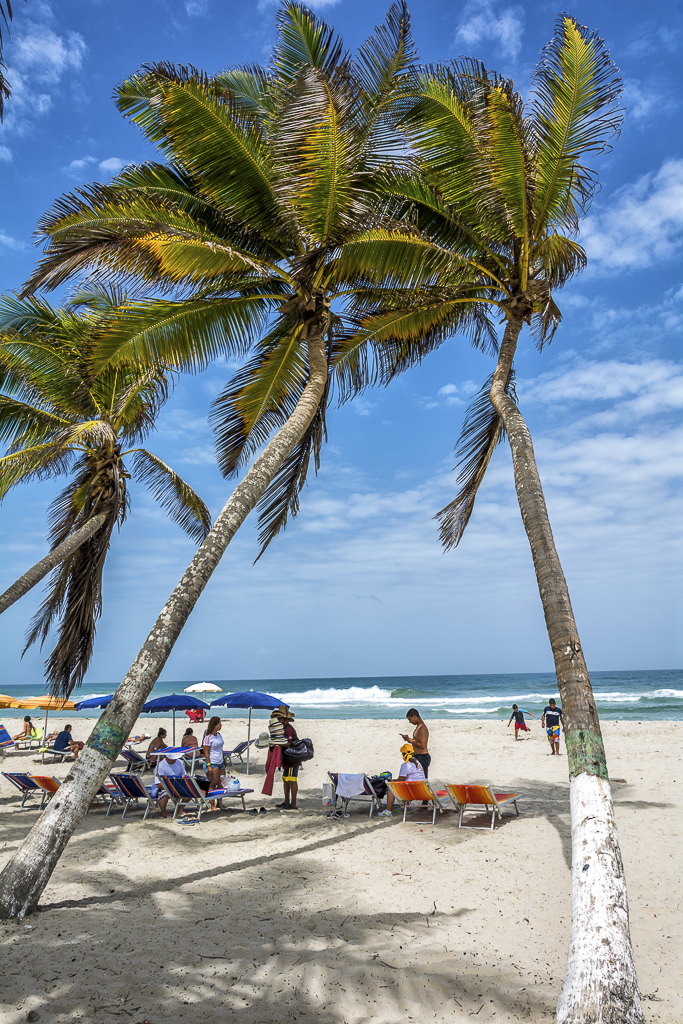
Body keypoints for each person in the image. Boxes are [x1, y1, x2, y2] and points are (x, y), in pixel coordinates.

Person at [379, 743, 425, 818]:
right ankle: (404, 807)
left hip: (412, 792)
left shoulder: (406, 765)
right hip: (421, 790)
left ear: (403, 754)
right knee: (408, 783)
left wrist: (392, 781)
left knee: (391, 787)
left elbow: (401, 780)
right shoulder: (418, 763)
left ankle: (388, 812)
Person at [272, 705, 302, 811]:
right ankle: (286, 801)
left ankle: (293, 804)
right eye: (278, 718)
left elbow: (288, 744)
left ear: (286, 719)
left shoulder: (288, 729)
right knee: (285, 780)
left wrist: (275, 742)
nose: (279, 720)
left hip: (292, 759)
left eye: (280, 718)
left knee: (292, 780)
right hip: (287, 759)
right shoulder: (284, 728)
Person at [202, 716, 225, 809]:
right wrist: (209, 765)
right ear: (215, 725)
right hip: (212, 763)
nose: (221, 725)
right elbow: (206, 753)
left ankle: (220, 802)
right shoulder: (208, 737)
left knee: (221, 783)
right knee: (213, 784)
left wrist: (224, 759)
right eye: (219, 724)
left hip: (220, 762)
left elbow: (221, 749)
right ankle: (212, 804)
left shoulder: (219, 735)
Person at [401, 708, 430, 777]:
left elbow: (422, 745)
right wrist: (409, 739)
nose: (410, 722)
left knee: (422, 779)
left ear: (414, 716)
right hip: (417, 756)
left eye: (410, 719)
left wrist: (409, 740)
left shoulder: (422, 728)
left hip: (422, 757)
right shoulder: (418, 727)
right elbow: (417, 742)